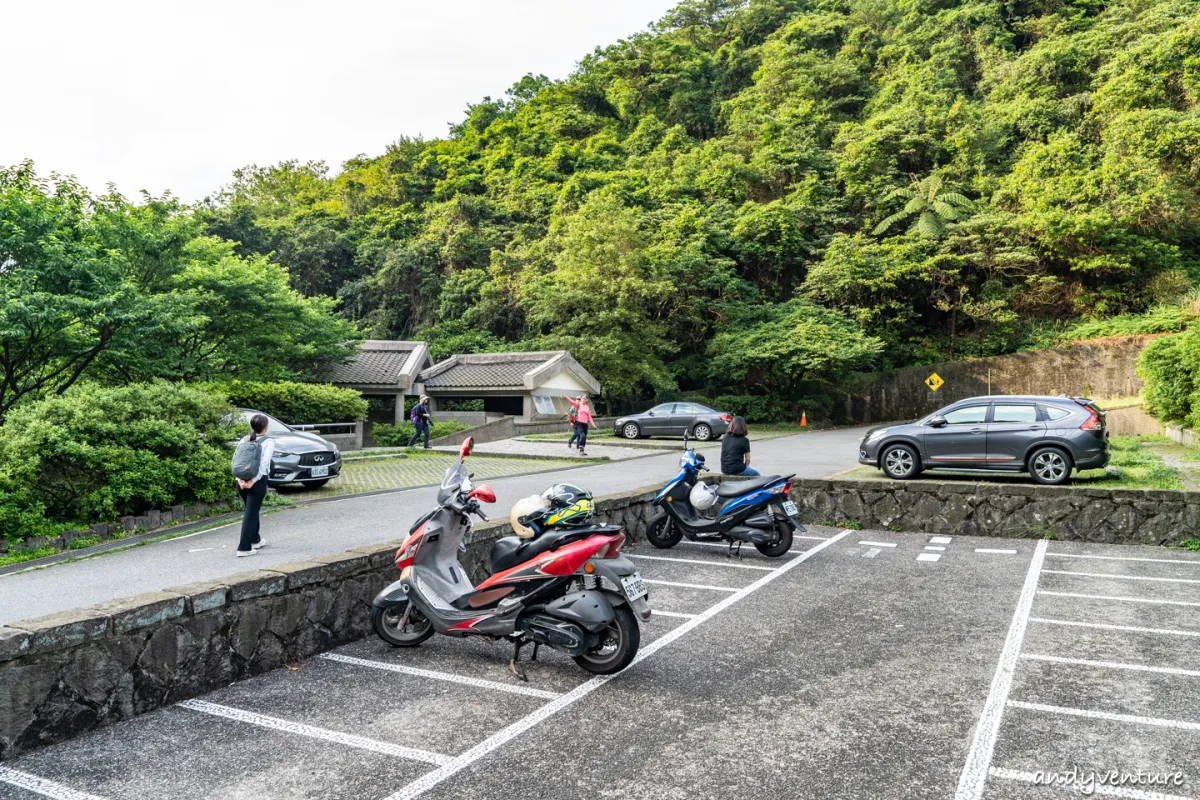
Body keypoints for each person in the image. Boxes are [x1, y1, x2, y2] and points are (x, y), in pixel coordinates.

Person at [235, 414, 275, 557]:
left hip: (240, 482)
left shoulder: (244, 440)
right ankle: (244, 548)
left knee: (252, 510)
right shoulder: (268, 442)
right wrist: (253, 481)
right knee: (250, 513)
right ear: (265, 427)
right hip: (256, 483)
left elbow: (236, 461)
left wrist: (239, 479)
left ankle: (255, 539)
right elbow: (264, 464)